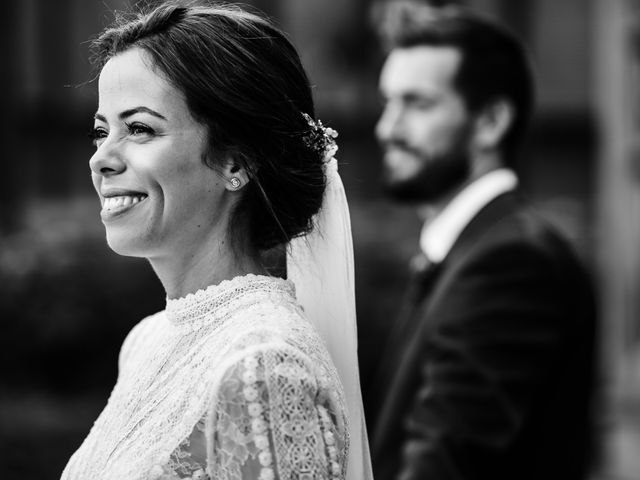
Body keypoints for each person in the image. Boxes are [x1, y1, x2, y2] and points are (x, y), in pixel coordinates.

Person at [61, 2, 372, 479]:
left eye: (140, 129)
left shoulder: (264, 368)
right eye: (101, 132)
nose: (101, 159)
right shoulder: (145, 342)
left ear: (235, 163)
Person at [369, 3, 597, 480]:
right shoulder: (471, 251)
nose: (387, 129)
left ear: (491, 121)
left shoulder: (512, 261)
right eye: (388, 102)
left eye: (418, 104)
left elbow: (446, 462)